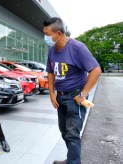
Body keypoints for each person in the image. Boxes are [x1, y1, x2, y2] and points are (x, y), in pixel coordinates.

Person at [43, 17, 101, 164]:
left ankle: (74, 162)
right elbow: (50, 72)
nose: (46, 37)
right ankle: (71, 159)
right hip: (61, 97)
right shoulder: (52, 50)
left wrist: (83, 95)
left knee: (72, 134)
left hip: (75, 97)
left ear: (60, 33)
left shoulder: (78, 48)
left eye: (48, 34)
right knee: (64, 132)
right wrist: (51, 93)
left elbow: (96, 70)